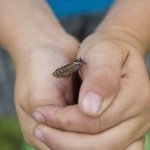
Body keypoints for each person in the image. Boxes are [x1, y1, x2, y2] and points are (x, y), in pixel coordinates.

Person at [0, 0, 150, 149]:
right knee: (35, 101)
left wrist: (129, 34)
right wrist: (27, 39)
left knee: (123, 104)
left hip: (133, 17)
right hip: (16, 21)